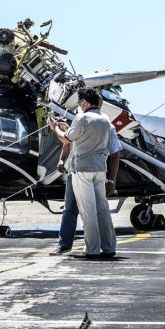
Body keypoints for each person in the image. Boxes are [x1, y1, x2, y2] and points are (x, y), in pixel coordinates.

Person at [50, 87, 117, 259]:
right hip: (100, 169)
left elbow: (66, 138)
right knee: (102, 208)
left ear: (85, 102)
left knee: (88, 210)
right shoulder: (105, 119)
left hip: (82, 169)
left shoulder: (82, 117)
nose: (79, 105)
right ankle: (109, 246)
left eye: (80, 102)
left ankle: (92, 249)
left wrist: (55, 128)